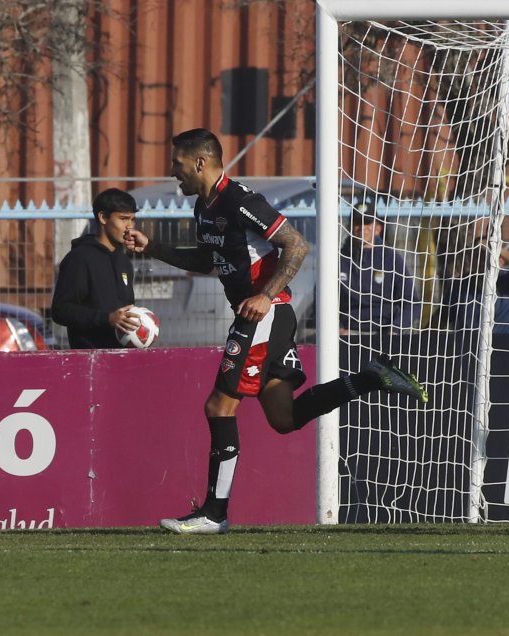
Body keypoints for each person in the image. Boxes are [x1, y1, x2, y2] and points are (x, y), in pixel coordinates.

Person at [123, 128, 428, 535]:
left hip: (264, 314)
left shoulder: (240, 200)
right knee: (283, 418)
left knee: (218, 407)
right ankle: (372, 378)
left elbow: (296, 244)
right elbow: (209, 259)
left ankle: (214, 514)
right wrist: (154, 248)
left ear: (200, 162)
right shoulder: (204, 207)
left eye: (177, 163)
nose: (172, 171)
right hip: (263, 315)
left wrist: (266, 295)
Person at [51, 188, 142, 349]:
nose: (130, 226)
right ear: (102, 217)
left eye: (132, 220)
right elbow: (61, 310)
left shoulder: (124, 262)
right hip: (90, 359)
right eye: (123, 219)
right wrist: (106, 318)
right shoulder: (79, 259)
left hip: (123, 357)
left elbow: (125, 310)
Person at [340, 201, 421, 335]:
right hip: (347, 333)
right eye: (357, 223)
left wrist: (395, 329)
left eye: (367, 223)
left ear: (378, 228)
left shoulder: (391, 258)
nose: (362, 227)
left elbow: (411, 303)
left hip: (384, 333)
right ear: (349, 227)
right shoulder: (337, 260)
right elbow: (320, 300)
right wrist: (337, 328)